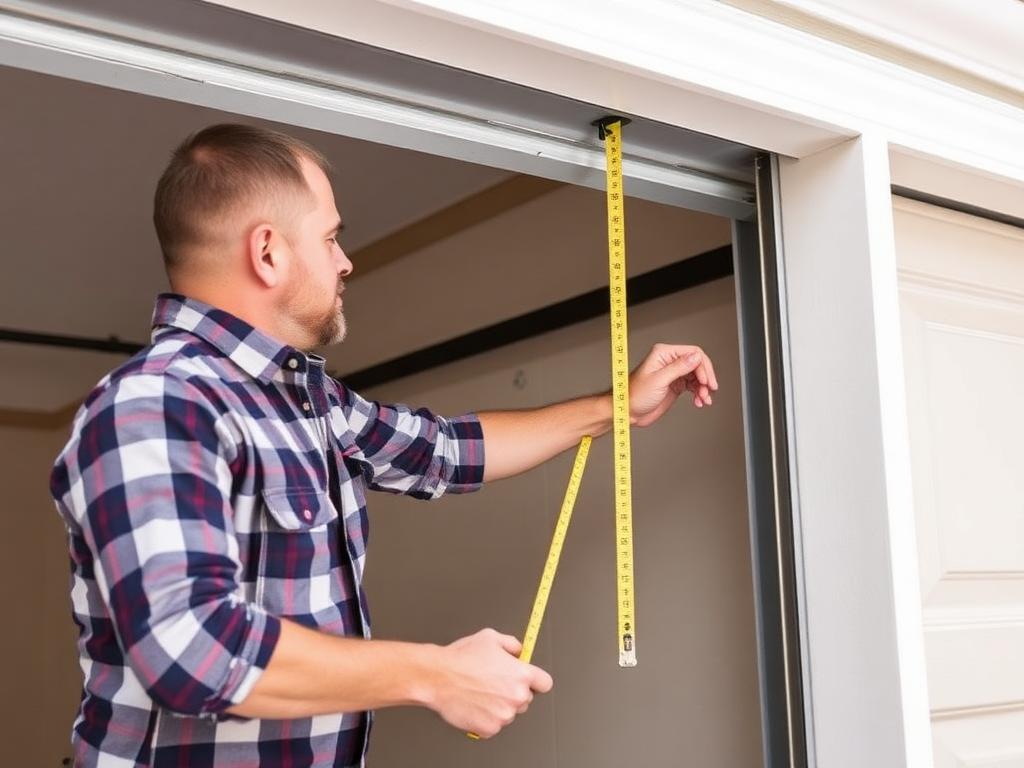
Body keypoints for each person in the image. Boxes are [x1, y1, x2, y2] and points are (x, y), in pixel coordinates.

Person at [49, 123, 719, 767]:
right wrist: (437, 675)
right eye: (332, 237)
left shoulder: (309, 401)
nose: (346, 260)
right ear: (268, 252)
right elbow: (189, 647)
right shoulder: (159, 402)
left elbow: (446, 451)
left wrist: (614, 408)